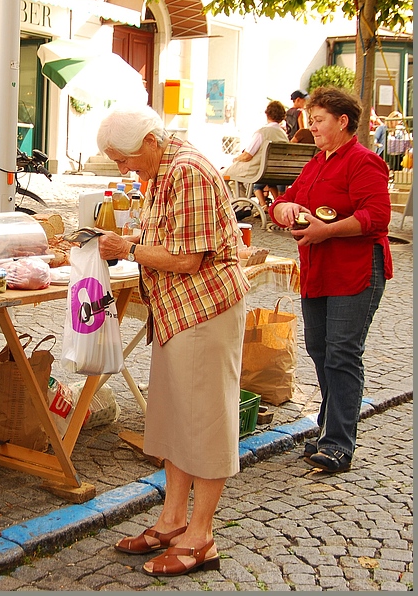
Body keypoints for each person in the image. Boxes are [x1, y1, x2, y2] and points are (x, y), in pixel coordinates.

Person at [95, 105, 250, 577]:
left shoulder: (187, 172)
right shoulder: (163, 167)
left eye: (123, 159)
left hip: (203, 307)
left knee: (204, 421)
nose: (123, 168)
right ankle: (172, 519)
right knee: (175, 416)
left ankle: (201, 536)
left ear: (149, 141)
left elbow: (186, 259)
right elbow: (171, 233)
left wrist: (127, 248)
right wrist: (135, 236)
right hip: (177, 310)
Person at [269, 86, 392, 474]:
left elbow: (377, 217)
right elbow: (283, 202)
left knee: (342, 352)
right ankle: (328, 427)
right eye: (310, 120)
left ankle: (339, 442)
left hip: (355, 270)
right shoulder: (317, 161)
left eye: (319, 121)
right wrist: (285, 207)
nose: (312, 128)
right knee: (319, 348)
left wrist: (330, 230)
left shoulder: (363, 161)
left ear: (343, 122)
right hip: (319, 268)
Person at [222, 100, 289, 205]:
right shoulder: (283, 135)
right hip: (275, 171)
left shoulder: (262, 132)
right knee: (233, 180)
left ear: (267, 114)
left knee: (221, 175)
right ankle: (242, 205)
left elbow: (247, 156)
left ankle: (236, 204)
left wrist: (236, 159)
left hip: (257, 170)